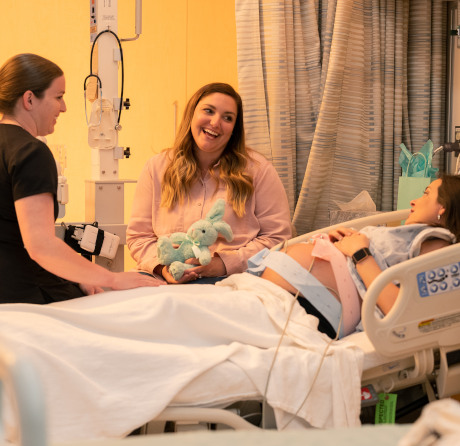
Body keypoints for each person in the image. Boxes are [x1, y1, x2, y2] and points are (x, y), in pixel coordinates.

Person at [0, 53, 164, 304]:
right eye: (58, 97)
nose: (64, 107)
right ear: (30, 99)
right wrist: (113, 279)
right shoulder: (30, 152)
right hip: (26, 296)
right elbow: (40, 246)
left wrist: (79, 273)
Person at [255, 175, 460, 338]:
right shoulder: (418, 237)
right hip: (289, 294)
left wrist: (359, 254)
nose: (414, 201)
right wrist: (343, 244)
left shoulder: (441, 248)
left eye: (426, 194)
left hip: (310, 305)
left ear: (443, 206)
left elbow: (404, 312)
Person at [126, 82, 291, 284]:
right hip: (163, 279)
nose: (215, 122)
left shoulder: (259, 171)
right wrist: (164, 268)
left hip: (232, 280)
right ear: (192, 114)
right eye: (208, 111)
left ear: (234, 129)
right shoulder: (156, 168)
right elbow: (139, 237)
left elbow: (277, 239)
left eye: (227, 118)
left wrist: (223, 264)